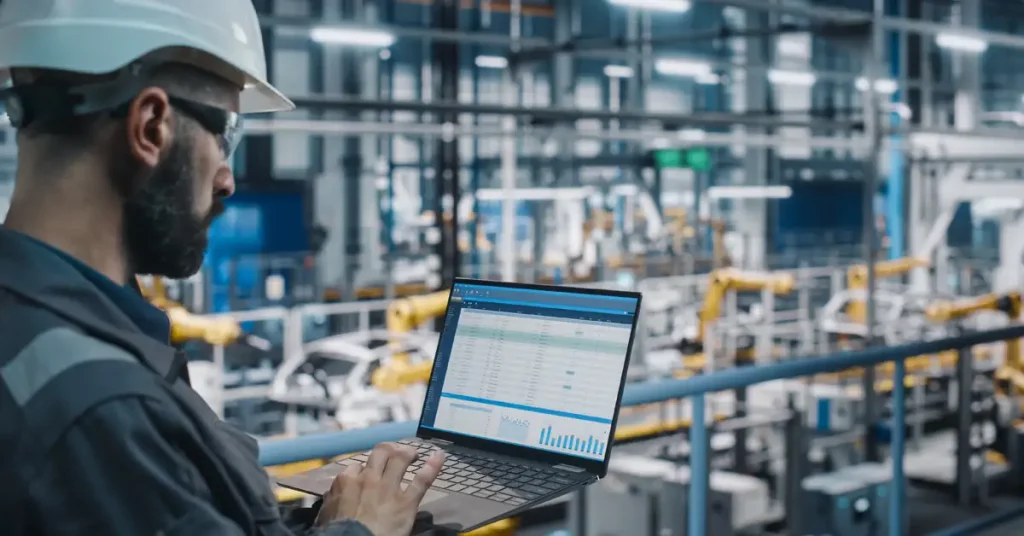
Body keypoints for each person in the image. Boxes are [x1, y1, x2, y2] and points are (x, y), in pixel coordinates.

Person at [0, 1, 445, 535]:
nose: (227, 179)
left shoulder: (44, 327)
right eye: (225, 134)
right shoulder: (98, 409)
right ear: (151, 126)